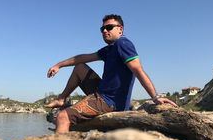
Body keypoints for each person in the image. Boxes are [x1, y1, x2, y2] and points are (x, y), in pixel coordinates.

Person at [46, 14, 177, 133]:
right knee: (80, 67)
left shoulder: (123, 43)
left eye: (109, 27)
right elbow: (81, 58)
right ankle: (61, 99)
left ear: (120, 29)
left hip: (110, 102)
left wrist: (155, 97)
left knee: (63, 117)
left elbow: (138, 70)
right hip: (102, 93)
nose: (104, 31)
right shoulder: (109, 49)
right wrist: (59, 65)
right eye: (102, 29)